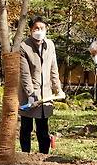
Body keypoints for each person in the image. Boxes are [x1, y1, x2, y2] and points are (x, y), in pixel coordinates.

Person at [19, 16, 64, 154]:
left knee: (43, 128)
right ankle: (25, 155)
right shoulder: (23, 47)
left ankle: (43, 157)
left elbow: (53, 69)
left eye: (42, 28)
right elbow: (25, 74)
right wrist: (31, 95)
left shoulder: (50, 45)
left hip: (45, 95)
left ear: (46, 29)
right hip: (29, 95)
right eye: (36, 28)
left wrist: (58, 89)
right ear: (31, 30)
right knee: (26, 127)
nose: (39, 31)